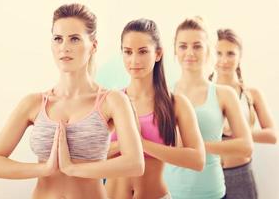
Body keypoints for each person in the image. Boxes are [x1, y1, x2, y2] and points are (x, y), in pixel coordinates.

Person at [0, 3, 144, 199]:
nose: (64, 47)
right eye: (58, 39)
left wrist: (72, 168)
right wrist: (45, 168)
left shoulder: (113, 101)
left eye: (74, 39)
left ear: (93, 46)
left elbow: (135, 164)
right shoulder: (33, 103)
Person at [105, 18, 205, 199]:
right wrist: (123, 144)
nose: (134, 60)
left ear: (158, 53)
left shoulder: (176, 104)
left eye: (143, 51)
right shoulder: (111, 101)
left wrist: (142, 144)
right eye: (128, 52)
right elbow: (88, 156)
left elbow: (198, 160)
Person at [163, 17, 253, 199]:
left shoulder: (223, 94)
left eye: (197, 46)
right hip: (170, 192)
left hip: (212, 192)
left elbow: (246, 146)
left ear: (208, 50)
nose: (190, 52)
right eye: (183, 46)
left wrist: (198, 148)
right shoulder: (163, 95)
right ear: (174, 50)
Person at [209, 28, 278, 199]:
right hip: (209, 176)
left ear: (240, 56)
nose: (224, 60)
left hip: (240, 175)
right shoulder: (204, 92)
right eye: (219, 53)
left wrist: (241, 134)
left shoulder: (251, 94)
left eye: (231, 54)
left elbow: (272, 135)